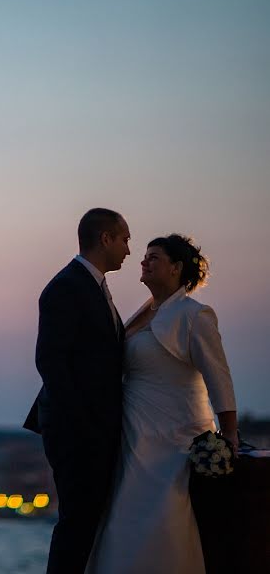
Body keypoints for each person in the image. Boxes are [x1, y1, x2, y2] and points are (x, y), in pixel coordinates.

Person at [85, 234, 237, 574]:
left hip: (174, 435)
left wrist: (229, 433)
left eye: (154, 257)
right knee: (122, 513)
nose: (144, 261)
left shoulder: (195, 315)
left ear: (176, 268)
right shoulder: (143, 312)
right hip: (133, 430)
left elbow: (219, 376)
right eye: (144, 256)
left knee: (160, 514)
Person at [23, 208, 130, 574]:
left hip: (90, 429)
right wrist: (85, 427)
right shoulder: (66, 288)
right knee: (77, 523)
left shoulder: (93, 287)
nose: (129, 250)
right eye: (125, 239)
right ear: (106, 239)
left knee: (85, 522)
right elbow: (50, 362)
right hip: (78, 432)